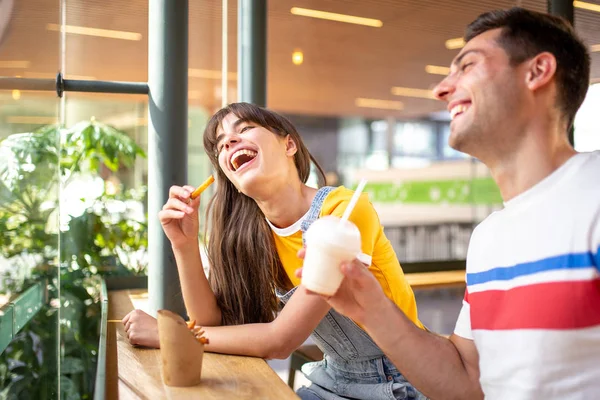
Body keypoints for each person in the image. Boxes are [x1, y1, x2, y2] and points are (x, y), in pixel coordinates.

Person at [301, 7, 600, 400]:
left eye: (467, 66)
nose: (441, 89)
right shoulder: (489, 239)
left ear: (537, 71)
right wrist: (369, 308)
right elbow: (467, 381)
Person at [123, 102, 428, 400]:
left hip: (402, 378)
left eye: (245, 129)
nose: (229, 141)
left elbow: (280, 340)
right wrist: (184, 244)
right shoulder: (254, 235)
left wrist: (170, 336)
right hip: (333, 378)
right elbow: (212, 323)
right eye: (220, 144)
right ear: (229, 177)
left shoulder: (343, 212)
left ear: (289, 145)